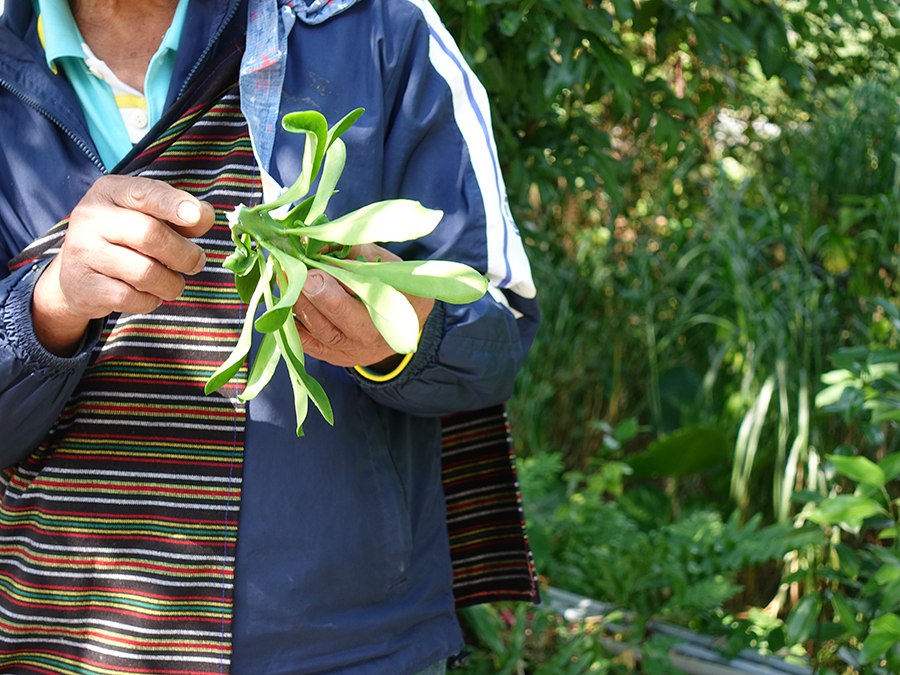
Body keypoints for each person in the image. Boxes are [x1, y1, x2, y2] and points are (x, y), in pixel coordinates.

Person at [0, 0, 540, 673]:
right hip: (66, 641)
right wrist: (51, 304)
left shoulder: (374, 27)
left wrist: (406, 329)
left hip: (344, 645)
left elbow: (499, 338)